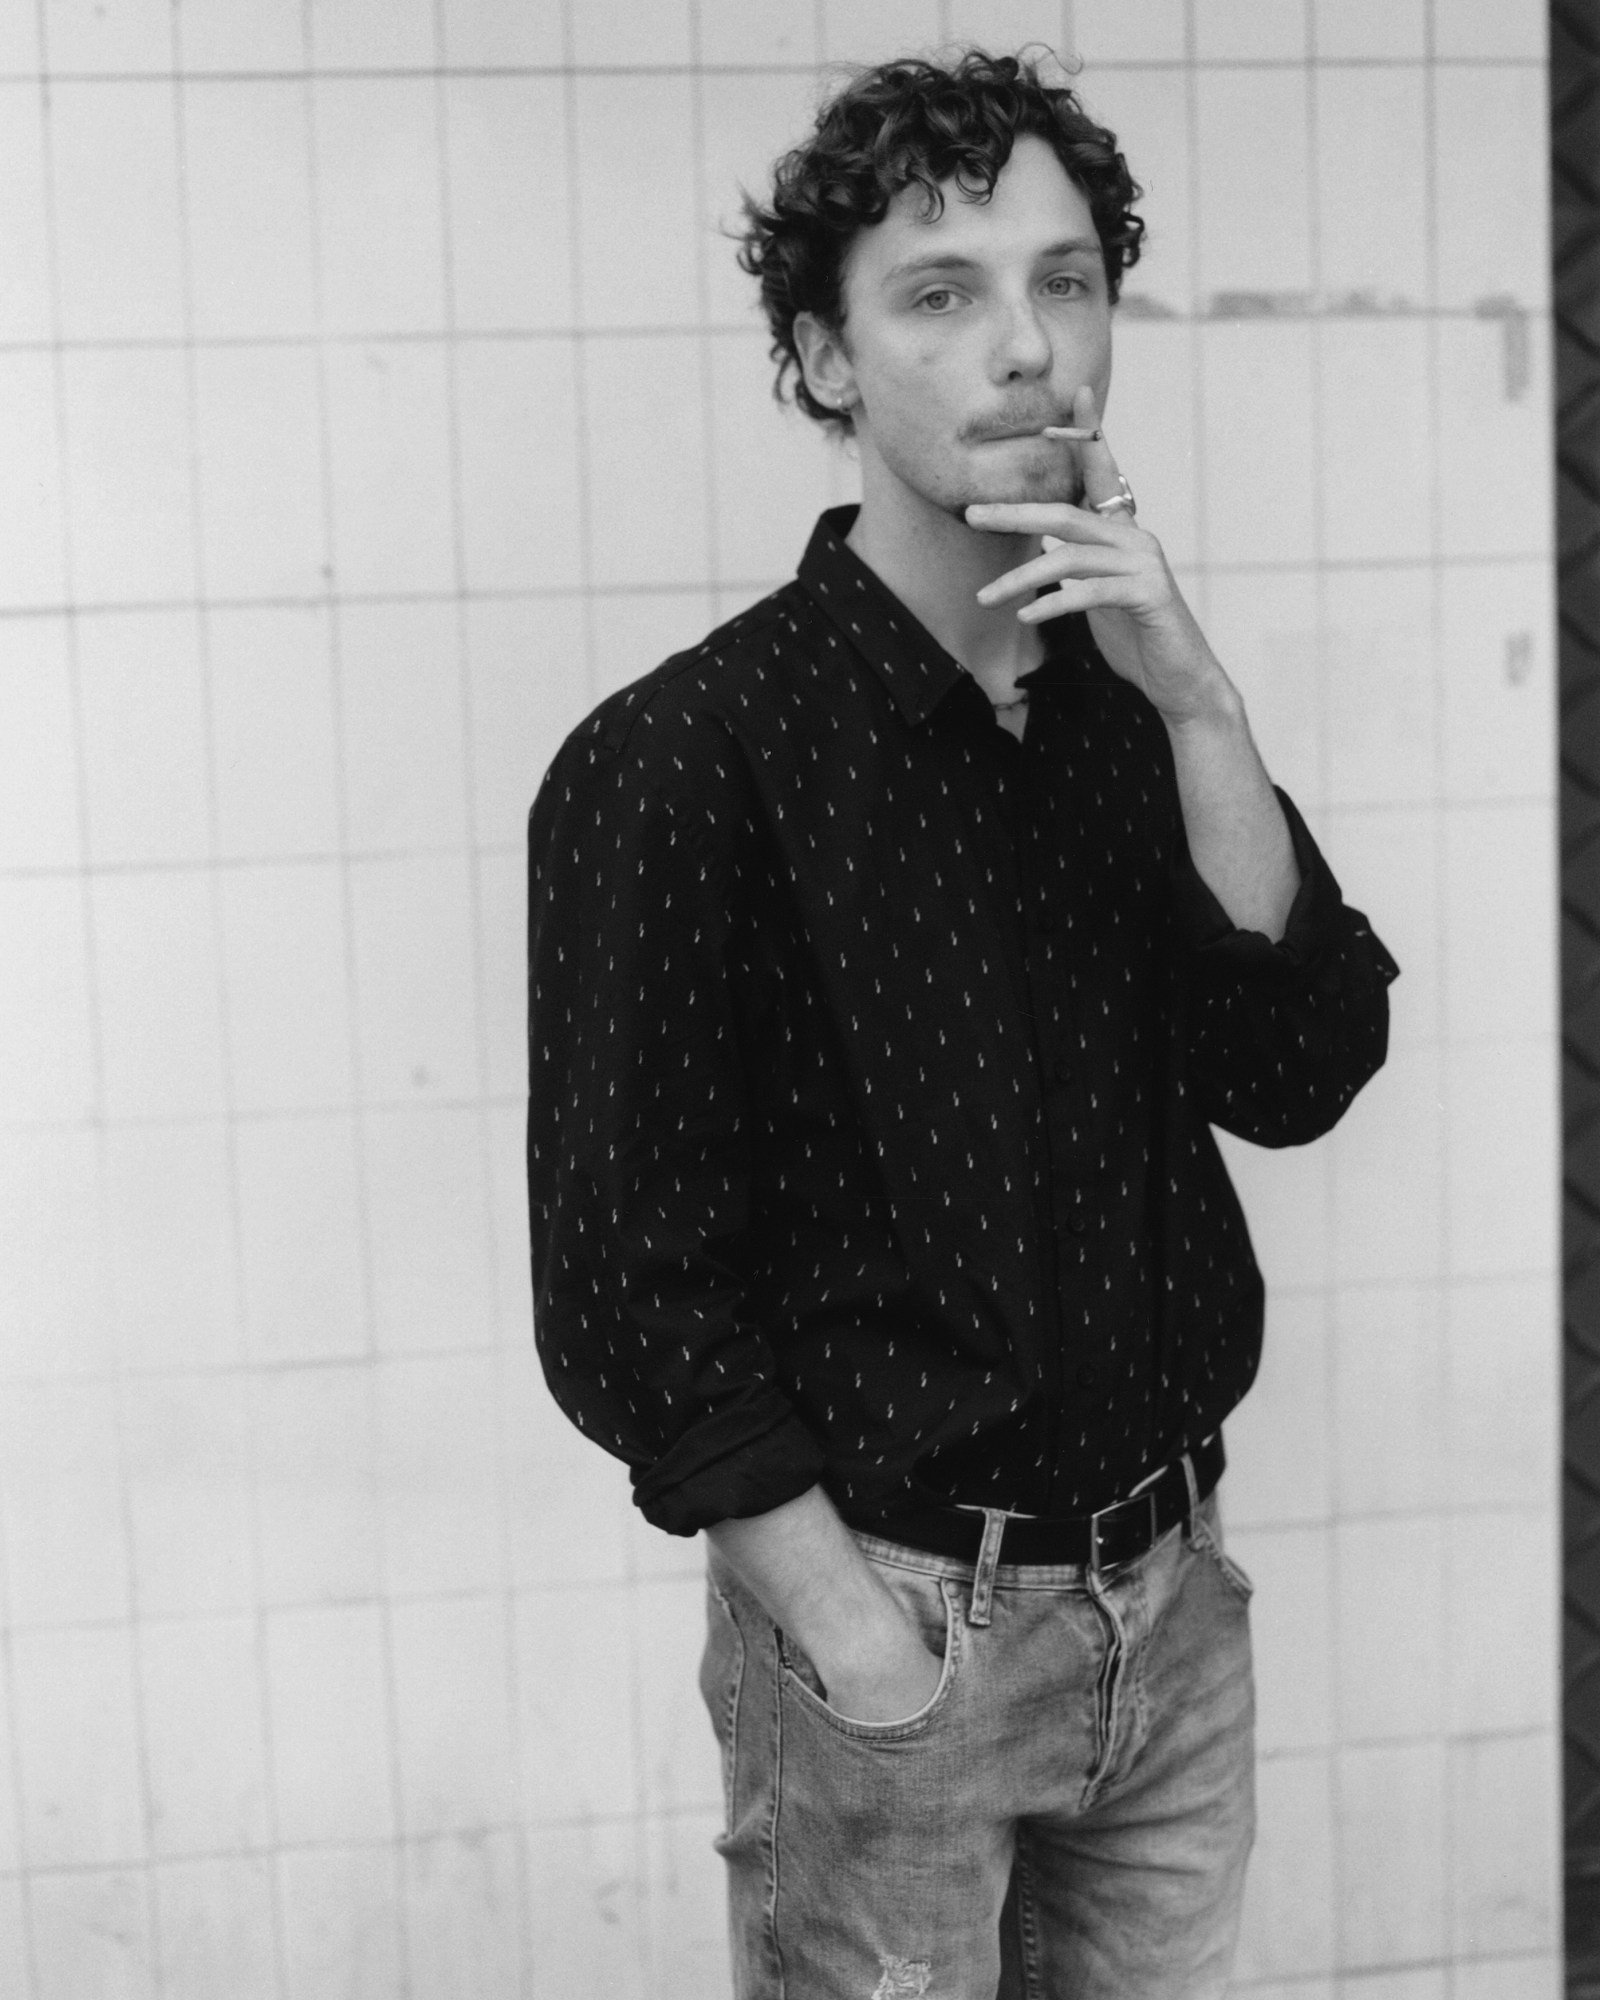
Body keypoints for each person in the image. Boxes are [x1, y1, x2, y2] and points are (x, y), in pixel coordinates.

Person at [526, 48, 1397, 2000]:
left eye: (1067, 280)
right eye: (940, 293)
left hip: (1167, 1613)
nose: (1030, 349)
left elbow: (1298, 1067)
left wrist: (1199, 711)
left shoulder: (1126, 710)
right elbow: (624, 1291)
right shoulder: (685, 761)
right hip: (897, 1627)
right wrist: (854, 1645)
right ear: (826, 361)